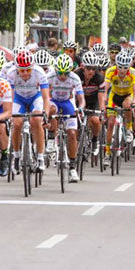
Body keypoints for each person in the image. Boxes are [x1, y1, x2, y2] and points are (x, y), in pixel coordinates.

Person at [7, 49, 50, 173]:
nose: (25, 73)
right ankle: (16, 155)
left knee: (36, 121)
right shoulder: (11, 74)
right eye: (22, 70)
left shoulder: (39, 72)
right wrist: (9, 114)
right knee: (16, 124)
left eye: (28, 70)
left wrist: (45, 114)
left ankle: (40, 157)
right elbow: (9, 97)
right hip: (18, 98)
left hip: (34, 98)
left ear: (33, 67)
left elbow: (46, 97)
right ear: (16, 68)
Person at [47, 54, 84, 182]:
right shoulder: (50, 76)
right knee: (51, 109)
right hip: (54, 101)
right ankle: (51, 138)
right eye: (60, 73)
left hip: (68, 103)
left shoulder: (75, 78)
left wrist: (80, 108)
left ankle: (73, 167)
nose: (62, 76)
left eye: (65, 73)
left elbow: (81, 99)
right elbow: (44, 96)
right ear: (56, 70)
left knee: (72, 134)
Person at [104, 52, 135, 167]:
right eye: (120, 67)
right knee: (110, 123)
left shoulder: (134, 73)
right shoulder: (110, 71)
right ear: (116, 65)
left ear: (129, 66)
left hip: (128, 95)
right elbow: (105, 90)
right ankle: (107, 152)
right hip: (114, 96)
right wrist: (104, 101)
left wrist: (134, 102)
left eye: (125, 67)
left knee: (127, 104)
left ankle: (129, 128)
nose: (122, 70)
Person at [75, 51, 106, 154]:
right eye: (88, 68)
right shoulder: (76, 75)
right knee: (75, 124)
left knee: (95, 120)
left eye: (94, 69)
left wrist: (102, 111)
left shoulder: (99, 78)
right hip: (79, 100)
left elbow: (101, 98)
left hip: (94, 100)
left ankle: (95, 139)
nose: (91, 72)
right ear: (83, 67)